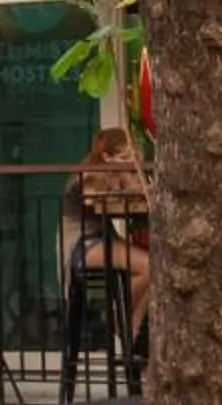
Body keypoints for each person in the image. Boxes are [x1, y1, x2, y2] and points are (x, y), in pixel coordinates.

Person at [61, 127, 153, 335]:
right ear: (106, 156)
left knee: (156, 266)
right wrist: (121, 183)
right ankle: (114, 315)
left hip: (104, 238)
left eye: (133, 155)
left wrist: (129, 172)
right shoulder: (90, 172)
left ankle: (129, 329)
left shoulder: (115, 172)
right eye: (125, 156)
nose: (130, 160)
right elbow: (91, 198)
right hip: (82, 244)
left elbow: (139, 193)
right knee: (151, 266)